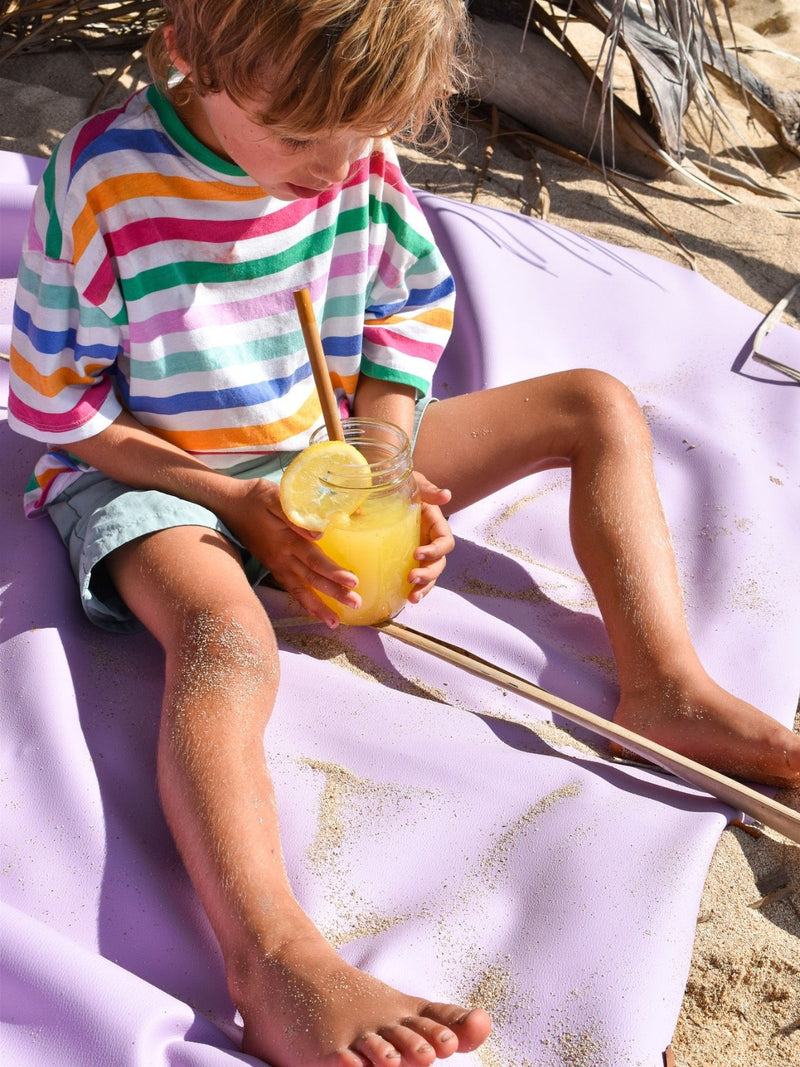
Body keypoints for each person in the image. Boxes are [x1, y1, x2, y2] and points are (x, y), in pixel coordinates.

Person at [7, 2, 799, 1065]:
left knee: (595, 404)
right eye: (298, 139)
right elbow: (62, 407)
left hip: (315, 449)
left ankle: (663, 683)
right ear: (189, 54)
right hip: (162, 474)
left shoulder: (350, 152)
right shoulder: (106, 181)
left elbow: (408, 311)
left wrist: (384, 464)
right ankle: (274, 955)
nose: (333, 168)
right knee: (222, 635)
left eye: (360, 135)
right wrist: (238, 503)